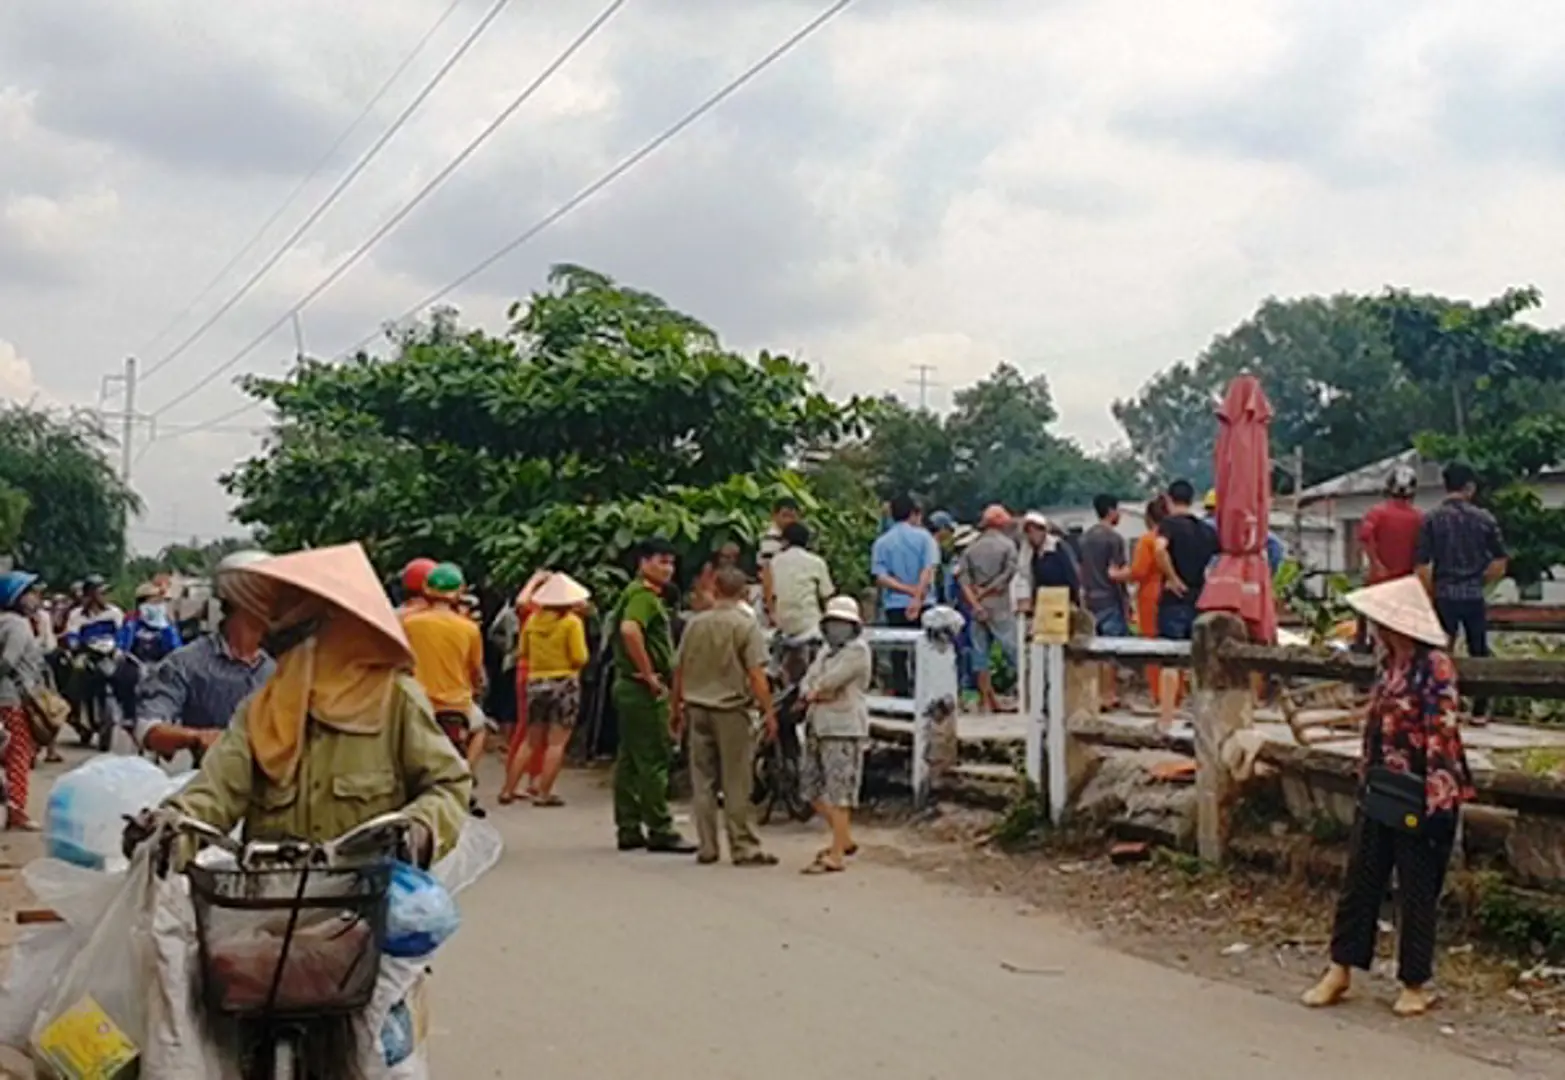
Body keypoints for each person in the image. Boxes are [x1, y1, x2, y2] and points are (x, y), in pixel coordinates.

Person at [154, 541, 471, 864]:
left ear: (340, 631)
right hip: (272, 896)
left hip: (369, 896)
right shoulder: (262, 709)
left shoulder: (396, 700)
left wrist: (419, 828)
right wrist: (169, 829)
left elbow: (448, 785)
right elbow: (216, 791)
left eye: (296, 632)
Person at [1302, 576, 1474, 1018]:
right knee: (1361, 879)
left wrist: (1435, 798)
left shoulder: (1434, 666)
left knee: (1416, 889)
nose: (1378, 630)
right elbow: (1376, 724)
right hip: (1381, 786)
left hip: (1422, 788)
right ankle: (1340, 967)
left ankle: (1415, 981)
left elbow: (1442, 731)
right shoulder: (1387, 665)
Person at [671, 567, 778, 867]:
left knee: (702, 780)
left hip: (697, 707)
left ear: (715, 589)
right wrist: (768, 711)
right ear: (744, 593)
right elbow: (756, 674)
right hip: (731, 710)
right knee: (736, 781)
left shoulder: (695, 624)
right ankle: (743, 846)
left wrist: (674, 708)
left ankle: (707, 845)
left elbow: (678, 670)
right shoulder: (745, 626)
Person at [136, 551, 276, 765]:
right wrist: (197, 737)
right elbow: (148, 729)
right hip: (211, 786)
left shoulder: (284, 665)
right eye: (268, 594)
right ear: (241, 599)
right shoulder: (186, 663)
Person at [611, 539, 696, 853]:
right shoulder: (643, 597)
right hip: (642, 687)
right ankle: (660, 827)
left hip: (628, 686)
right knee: (654, 758)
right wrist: (648, 674)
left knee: (630, 759)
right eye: (661, 561)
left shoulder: (635, 594)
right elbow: (630, 631)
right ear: (643, 563)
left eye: (671, 563)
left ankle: (629, 825)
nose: (668, 569)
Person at [1416, 462, 1508, 724]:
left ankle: (1444, 704)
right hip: (1473, 594)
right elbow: (1500, 562)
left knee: (1442, 652)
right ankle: (1479, 709)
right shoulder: (1484, 519)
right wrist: (1480, 580)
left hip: (1445, 593)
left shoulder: (1431, 519)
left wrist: (1432, 593)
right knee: (1479, 649)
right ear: (1470, 487)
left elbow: (1422, 565)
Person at [401, 563, 490, 812]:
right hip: (456, 704)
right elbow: (475, 670)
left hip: (415, 700)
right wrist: (475, 688)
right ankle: (467, 778)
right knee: (481, 729)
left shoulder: (409, 624)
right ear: (459, 592)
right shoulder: (469, 628)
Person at [800, 596, 872, 874]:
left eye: (843, 623)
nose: (837, 628)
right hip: (818, 724)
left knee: (840, 791)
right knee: (812, 789)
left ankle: (837, 852)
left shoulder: (858, 651)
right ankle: (844, 838)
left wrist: (816, 691)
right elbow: (809, 682)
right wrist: (814, 691)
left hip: (844, 727)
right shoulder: (825, 652)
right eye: (833, 623)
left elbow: (830, 682)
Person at [510, 572, 591, 807]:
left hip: (536, 681)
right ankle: (544, 792)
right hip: (564, 681)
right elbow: (580, 657)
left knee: (530, 739)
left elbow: (522, 651)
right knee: (556, 742)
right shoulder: (571, 623)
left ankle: (508, 788)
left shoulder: (533, 620)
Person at [1156, 480, 1220, 728]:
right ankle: (1198, 716)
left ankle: (1166, 719)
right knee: (1197, 660)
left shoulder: (1168, 525)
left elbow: (1160, 550)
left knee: (1169, 660)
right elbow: (1221, 557)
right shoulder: (1205, 531)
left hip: (1174, 600)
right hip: (1199, 598)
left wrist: (1172, 578)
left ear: (1169, 500)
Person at [871, 494, 941, 696]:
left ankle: (902, 697)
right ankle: (925, 694)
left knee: (898, 653)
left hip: (894, 604)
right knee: (925, 651)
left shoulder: (882, 543)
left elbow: (881, 577)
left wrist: (905, 590)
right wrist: (917, 597)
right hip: (925, 603)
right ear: (912, 513)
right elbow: (928, 571)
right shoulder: (925, 538)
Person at [958, 504, 1020, 713]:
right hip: (999, 604)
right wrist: (987, 592)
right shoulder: (1008, 546)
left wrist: (976, 602)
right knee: (1013, 651)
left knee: (980, 653)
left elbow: (963, 581)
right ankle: (1026, 695)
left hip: (976, 607)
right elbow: (1008, 575)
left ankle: (986, 699)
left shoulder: (971, 548)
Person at [0, 571, 51, 829]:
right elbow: (8, 661)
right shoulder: (18, 626)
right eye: (31, 592)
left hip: (6, 698)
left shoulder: (4, 622)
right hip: (14, 700)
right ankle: (16, 809)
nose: (36, 597)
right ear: (18, 597)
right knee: (20, 753)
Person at [1356, 463, 1424, 648]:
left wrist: (1376, 563)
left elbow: (1364, 538)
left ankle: (1361, 643)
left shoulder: (1376, 513)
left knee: (1371, 621)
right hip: (1407, 583)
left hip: (1381, 580)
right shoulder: (1419, 517)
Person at [500, 571, 552, 803]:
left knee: (540, 732)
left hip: (534, 674)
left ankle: (532, 779)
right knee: (528, 730)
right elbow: (521, 602)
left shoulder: (547, 614)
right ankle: (516, 782)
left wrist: (538, 580)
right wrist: (537, 580)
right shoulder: (536, 613)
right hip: (533, 673)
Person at [1081, 494, 1133, 710]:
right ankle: (1109, 694)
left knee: (1094, 651)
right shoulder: (1114, 539)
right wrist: (1127, 602)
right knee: (1111, 650)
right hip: (1110, 599)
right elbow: (1117, 573)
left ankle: (1094, 694)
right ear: (1111, 511)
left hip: (1091, 599)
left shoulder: (1085, 538)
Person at [1129, 496, 1171, 699]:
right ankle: (1175, 695)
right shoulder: (1173, 537)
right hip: (1172, 594)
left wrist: (1117, 575)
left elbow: (1138, 571)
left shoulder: (1147, 540)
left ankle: (1158, 694)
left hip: (1150, 596)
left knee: (1152, 646)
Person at [766, 522, 835, 640]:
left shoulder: (775, 562)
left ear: (785, 541)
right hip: (809, 622)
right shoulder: (816, 562)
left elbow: (770, 594)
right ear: (807, 541)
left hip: (783, 623)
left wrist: (773, 615)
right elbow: (827, 595)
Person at [1015, 511, 1080, 614]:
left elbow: (1071, 573)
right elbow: (1025, 576)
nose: (1033, 535)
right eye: (1029, 532)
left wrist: (1075, 599)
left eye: (1036, 530)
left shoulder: (1058, 547)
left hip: (1062, 598)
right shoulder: (1029, 552)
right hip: (1042, 601)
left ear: (1043, 530)